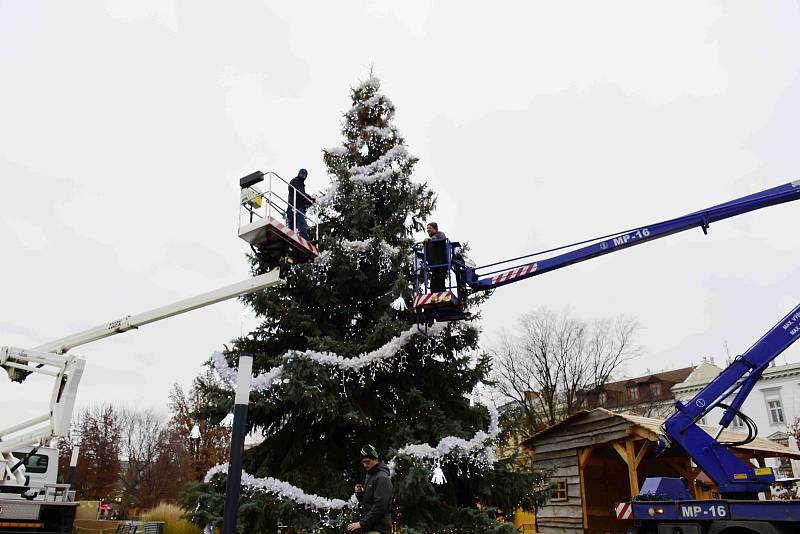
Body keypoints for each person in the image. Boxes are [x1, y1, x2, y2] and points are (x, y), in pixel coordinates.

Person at [347, 444, 392, 534]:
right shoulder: (370, 475)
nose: (364, 465)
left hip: (379, 529)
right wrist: (359, 493)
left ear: (375, 459)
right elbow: (368, 502)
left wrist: (362, 523)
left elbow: (380, 506)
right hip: (370, 528)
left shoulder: (382, 477)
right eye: (363, 462)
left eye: (367, 461)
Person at [287, 168, 313, 239]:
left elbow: (302, 196)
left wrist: (310, 201)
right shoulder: (295, 181)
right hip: (296, 207)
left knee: (292, 226)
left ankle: (290, 238)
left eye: (305, 175)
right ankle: (304, 238)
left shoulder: (300, 183)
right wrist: (310, 198)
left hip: (295, 207)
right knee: (300, 223)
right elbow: (300, 193)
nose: (303, 176)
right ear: (299, 173)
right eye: (302, 174)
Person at [424, 222, 448, 292]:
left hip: (441, 264)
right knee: (434, 284)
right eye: (427, 228)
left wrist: (431, 240)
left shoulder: (440, 234)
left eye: (430, 228)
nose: (428, 230)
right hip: (434, 266)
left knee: (439, 282)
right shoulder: (429, 241)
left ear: (435, 229)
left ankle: (441, 294)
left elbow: (440, 238)